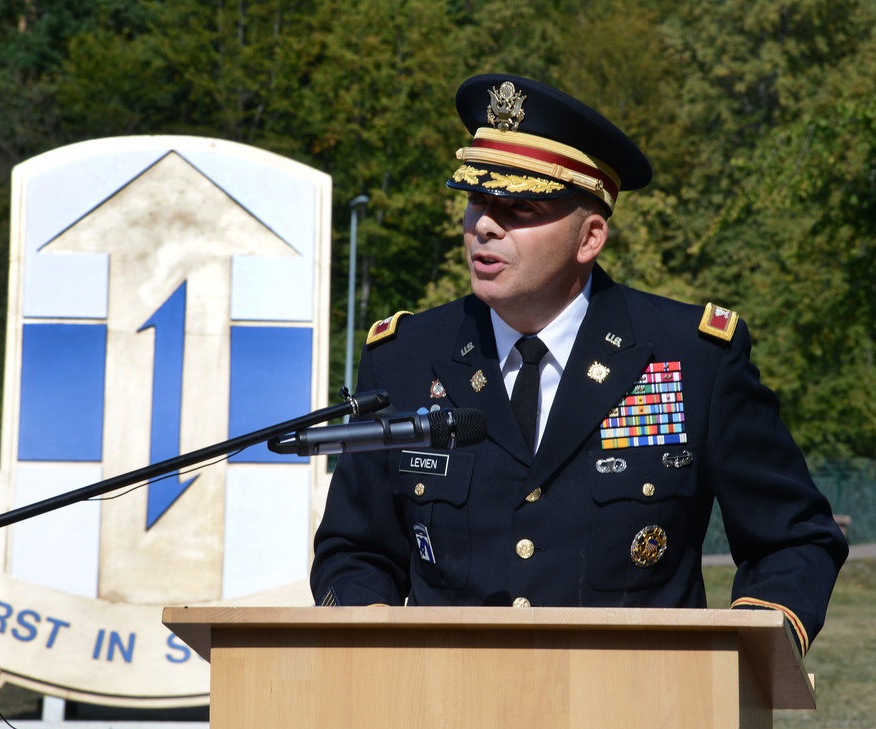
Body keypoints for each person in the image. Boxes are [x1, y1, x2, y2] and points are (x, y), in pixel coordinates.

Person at [310, 73, 848, 655]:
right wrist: (366, 638)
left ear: (589, 237)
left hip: (639, 721)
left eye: (518, 207)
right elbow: (355, 549)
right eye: (476, 200)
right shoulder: (406, 357)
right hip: (449, 720)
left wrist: (749, 650)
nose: (484, 224)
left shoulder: (691, 358)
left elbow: (793, 540)